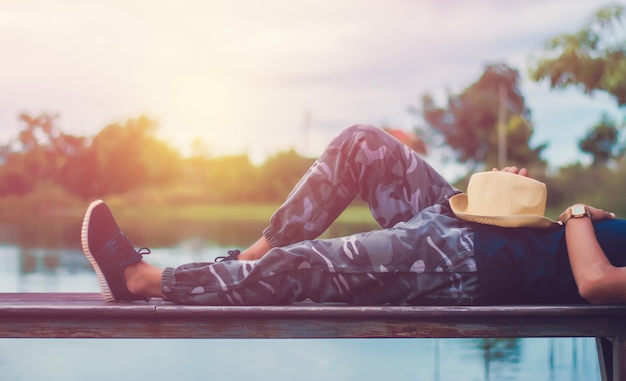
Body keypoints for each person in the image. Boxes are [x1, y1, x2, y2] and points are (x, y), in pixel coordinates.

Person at [81, 124, 625, 306]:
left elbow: (597, 282)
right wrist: (510, 197)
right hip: (476, 225)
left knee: (309, 265)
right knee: (362, 144)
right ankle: (245, 259)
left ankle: (141, 279)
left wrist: (576, 214)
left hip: (475, 265)